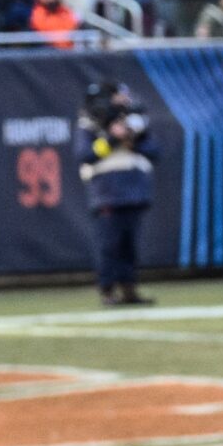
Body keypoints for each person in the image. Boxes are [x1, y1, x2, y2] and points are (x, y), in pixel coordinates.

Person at [74, 82, 154, 306]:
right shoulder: (89, 124)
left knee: (130, 245)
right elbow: (85, 155)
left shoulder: (132, 121)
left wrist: (131, 140)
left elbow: (153, 150)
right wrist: (111, 139)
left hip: (135, 190)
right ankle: (107, 290)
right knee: (110, 246)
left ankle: (129, 289)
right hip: (107, 192)